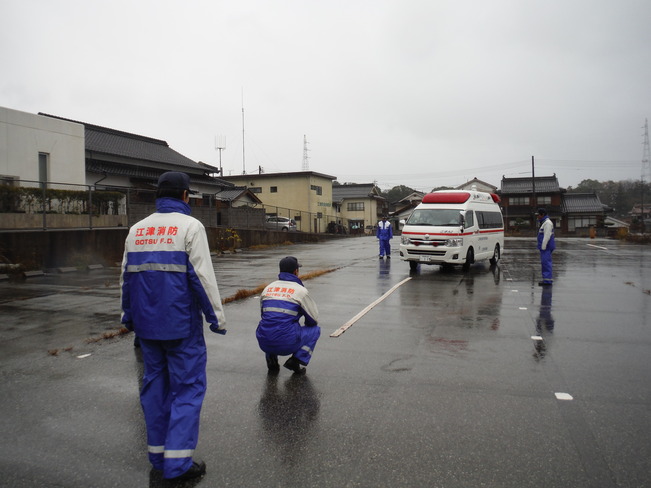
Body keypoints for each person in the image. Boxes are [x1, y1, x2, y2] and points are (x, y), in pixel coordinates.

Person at [120, 171, 226, 481]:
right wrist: (216, 318)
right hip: (181, 327)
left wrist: (127, 316)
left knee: (154, 388)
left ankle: (158, 456)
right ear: (185, 196)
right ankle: (178, 464)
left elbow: (126, 278)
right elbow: (202, 277)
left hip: (147, 328)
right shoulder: (191, 227)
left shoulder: (136, 230)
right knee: (188, 390)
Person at [256, 256, 320, 374]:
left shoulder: (268, 288)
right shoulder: (300, 291)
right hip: (286, 344)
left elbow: (264, 315)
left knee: (270, 324)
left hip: (264, 342)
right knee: (315, 330)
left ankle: (272, 360)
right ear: (296, 271)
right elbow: (313, 319)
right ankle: (296, 360)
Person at [536, 207, 555, 286]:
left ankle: (547, 281)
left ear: (542, 215)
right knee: (545, 263)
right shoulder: (544, 222)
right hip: (545, 247)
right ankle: (546, 279)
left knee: (546, 263)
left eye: (538, 215)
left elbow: (547, 236)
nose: (537, 217)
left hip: (546, 247)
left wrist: (543, 246)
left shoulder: (547, 223)